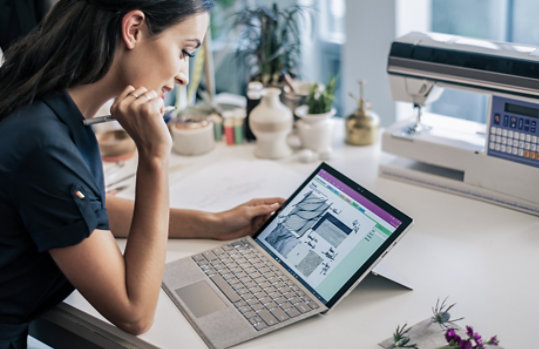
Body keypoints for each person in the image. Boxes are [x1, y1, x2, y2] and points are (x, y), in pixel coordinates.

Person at [0, 1, 284, 348]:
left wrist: (211, 222)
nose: (182, 74)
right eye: (184, 51)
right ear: (133, 29)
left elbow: (88, 212)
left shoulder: (49, 106)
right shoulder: (43, 146)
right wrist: (154, 158)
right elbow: (134, 312)